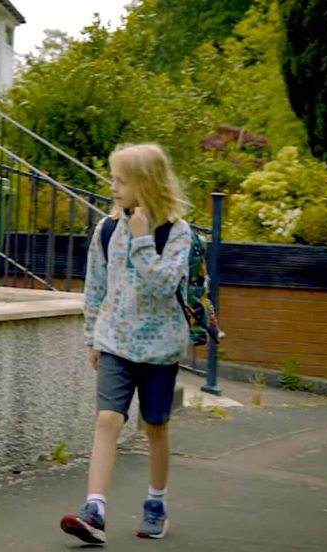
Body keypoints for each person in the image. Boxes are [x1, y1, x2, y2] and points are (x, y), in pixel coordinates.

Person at [60, 143, 193, 545]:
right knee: (107, 420)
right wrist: (92, 337)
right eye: (113, 179)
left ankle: (156, 503)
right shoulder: (107, 229)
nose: (113, 187)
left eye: (121, 181)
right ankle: (94, 509)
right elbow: (96, 288)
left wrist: (141, 240)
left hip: (161, 349)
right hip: (114, 342)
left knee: (155, 425)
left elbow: (164, 284)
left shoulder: (177, 232)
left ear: (146, 183)